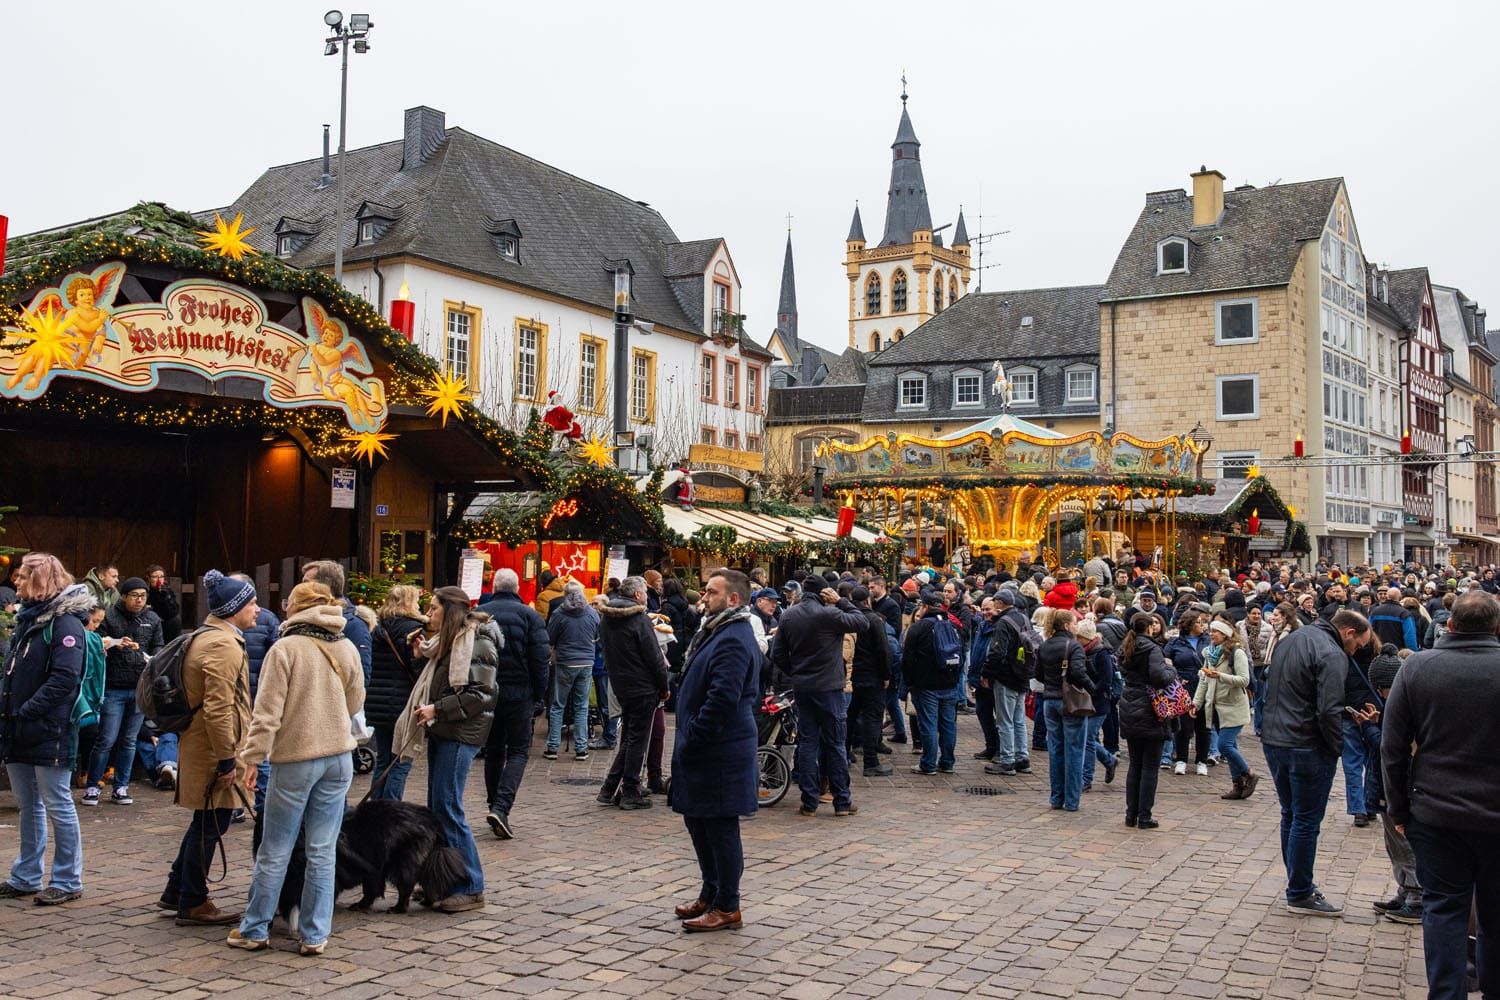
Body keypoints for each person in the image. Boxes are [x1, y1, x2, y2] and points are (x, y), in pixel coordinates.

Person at [228, 582, 364, 955]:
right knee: (322, 849)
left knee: (276, 848)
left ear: (296, 609)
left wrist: (252, 757)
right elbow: (355, 701)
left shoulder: (285, 649)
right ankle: (315, 934)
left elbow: (266, 713)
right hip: (338, 758)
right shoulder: (346, 645)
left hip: (296, 758)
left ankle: (255, 928)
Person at [1382, 590, 1500, 998]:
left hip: (1435, 812)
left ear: (1449, 625)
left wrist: (1397, 807)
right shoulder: (1418, 668)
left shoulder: (1418, 669)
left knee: (1444, 909)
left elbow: (1393, 747)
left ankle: (1447, 993)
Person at [394, 586, 499, 913]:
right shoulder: (444, 644)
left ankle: (471, 885)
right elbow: (440, 683)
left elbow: (481, 695)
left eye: (434, 609)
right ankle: (440, 879)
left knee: (448, 806)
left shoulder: (476, 641)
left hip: (461, 733)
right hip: (444, 729)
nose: (429, 614)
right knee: (437, 808)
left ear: (450, 612)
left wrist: (438, 709)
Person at [162, 570, 258, 927]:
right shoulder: (221, 644)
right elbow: (219, 708)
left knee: (205, 821)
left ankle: (176, 890)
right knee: (210, 824)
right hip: (212, 745)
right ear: (234, 609)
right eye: (251, 603)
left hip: (206, 742)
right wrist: (227, 759)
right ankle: (193, 900)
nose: (257, 610)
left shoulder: (213, 636)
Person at [1262, 608, 1372, 916]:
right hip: (1305, 743)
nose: (1356, 651)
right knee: (1306, 819)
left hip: (1276, 738)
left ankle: (1297, 883)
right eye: (1359, 645)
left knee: (1292, 814)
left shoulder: (1292, 638)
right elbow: (1326, 709)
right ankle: (1299, 891)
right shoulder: (1332, 652)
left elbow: (1286, 688)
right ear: (1349, 633)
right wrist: (1335, 746)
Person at [669, 569, 760, 933]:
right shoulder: (717, 630)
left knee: (720, 827)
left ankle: (728, 905)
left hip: (719, 750)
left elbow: (723, 697)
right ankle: (711, 892)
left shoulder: (734, 637)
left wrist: (695, 733)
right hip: (704, 749)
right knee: (699, 822)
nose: (703, 598)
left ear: (733, 599)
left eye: (711, 592)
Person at [0, 554, 90, 905]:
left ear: (40, 580)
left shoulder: (65, 624)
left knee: (57, 803)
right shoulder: (29, 620)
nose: (17, 583)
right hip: (19, 728)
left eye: (23, 577)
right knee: (29, 805)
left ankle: (68, 880)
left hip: (48, 730)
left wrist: (27, 710)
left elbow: (65, 678)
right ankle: (26, 875)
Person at [770, 582, 870, 815]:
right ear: (824, 593)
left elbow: (778, 654)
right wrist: (841, 601)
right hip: (830, 687)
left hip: (804, 687)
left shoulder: (789, 615)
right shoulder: (830, 613)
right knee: (835, 743)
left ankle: (809, 801)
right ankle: (842, 802)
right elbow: (861, 621)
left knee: (807, 742)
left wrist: (796, 671)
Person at [475, 568, 550, 839]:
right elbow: (540, 659)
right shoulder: (530, 616)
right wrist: (540, 694)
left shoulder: (481, 615)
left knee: (494, 749)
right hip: (519, 693)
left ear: (494, 586)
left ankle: (495, 804)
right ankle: (501, 805)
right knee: (518, 751)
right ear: (517, 588)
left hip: (488, 691)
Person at [86, 577, 164, 806]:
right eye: (135, 596)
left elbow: (158, 644)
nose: (139, 600)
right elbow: (95, 639)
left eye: (143, 596)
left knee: (129, 740)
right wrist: (113, 643)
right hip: (114, 687)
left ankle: (121, 786)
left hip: (139, 686)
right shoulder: (109, 616)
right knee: (106, 739)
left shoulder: (152, 618)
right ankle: (93, 785)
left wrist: (153, 657)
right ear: (124, 596)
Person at [595, 576, 669, 810]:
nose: (647, 597)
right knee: (637, 740)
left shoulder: (606, 617)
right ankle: (629, 791)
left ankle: (609, 788)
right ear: (637, 595)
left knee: (631, 738)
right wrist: (664, 686)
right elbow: (654, 656)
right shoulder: (639, 619)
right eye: (645, 593)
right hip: (642, 686)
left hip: (621, 684)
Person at [366, 585, 427, 800]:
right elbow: (417, 666)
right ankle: (391, 812)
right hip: (402, 701)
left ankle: (375, 813)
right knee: (401, 760)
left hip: (376, 701)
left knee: (383, 759)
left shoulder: (377, 628)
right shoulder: (415, 629)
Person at [1117, 614, 1174, 829]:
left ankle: (1131, 814)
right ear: (1149, 628)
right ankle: (1144, 815)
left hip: (1130, 703)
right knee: (1150, 766)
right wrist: (1171, 669)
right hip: (1150, 707)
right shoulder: (1152, 649)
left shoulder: (1127, 647)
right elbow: (1159, 676)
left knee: (1135, 764)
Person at [901, 594, 963, 778]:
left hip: (926, 684)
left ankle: (928, 763)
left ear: (925, 607)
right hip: (949, 682)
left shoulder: (919, 627)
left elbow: (908, 658)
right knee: (948, 724)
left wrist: (908, 682)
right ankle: (947, 762)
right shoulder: (952, 625)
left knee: (928, 724)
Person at [1194, 620, 1257, 800]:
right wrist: (1196, 703)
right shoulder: (1209, 653)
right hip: (1215, 707)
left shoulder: (1237, 653)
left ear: (1225, 635)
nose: (1211, 634)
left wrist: (1220, 676)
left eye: (1216, 631)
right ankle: (1237, 784)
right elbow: (1203, 681)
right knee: (1231, 747)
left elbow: (1244, 680)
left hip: (1233, 706)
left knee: (1224, 745)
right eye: (1210, 631)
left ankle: (1249, 773)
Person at [1036, 609, 1090, 811]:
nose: (1077, 626)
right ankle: (1072, 800)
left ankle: (1056, 797)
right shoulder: (1073, 645)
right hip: (1070, 701)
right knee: (1075, 751)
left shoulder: (1045, 645)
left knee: (1056, 750)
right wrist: (1093, 688)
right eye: (1075, 622)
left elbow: (1038, 674)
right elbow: (1078, 673)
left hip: (1050, 700)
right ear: (1067, 625)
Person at [982, 588, 1034, 776]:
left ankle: (1007, 760)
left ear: (1000, 603)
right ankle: (1022, 757)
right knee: (1018, 719)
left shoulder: (1003, 622)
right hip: (1022, 674)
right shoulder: (1023, 618)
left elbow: (997, 652)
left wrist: (986, 673)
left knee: (1005, 720)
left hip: (1006, 675)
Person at [545, 581, 599, 762]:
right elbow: (597, 636)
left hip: (565, 661)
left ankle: (553, 747)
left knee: (558, 705)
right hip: (585, 662)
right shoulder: (592, 613)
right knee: (581, 706)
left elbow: (550, 637)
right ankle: (581, 748)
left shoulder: (559, 614)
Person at [300, 561, 372, 685]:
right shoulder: (304, 620)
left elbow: (359, 679)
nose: (300, 588)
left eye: (306, 583)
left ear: (324, 586)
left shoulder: (353, 625)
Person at [848, 586, 893, 778]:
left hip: (851, 676)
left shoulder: (847, 618)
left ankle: (844, 754)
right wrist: (886, 675)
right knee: (872, 719)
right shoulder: (874, 620)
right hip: (871, 677)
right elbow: (883, 650)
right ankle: (871, 761)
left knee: (850, 716)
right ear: (868, 600)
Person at [1074, 619, 1118, 793]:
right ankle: (1109, 760)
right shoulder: (1084, 650)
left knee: (1088, 739)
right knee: (1087, 738)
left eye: (1079, 637)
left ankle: (1087, 778)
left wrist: (1092, 691)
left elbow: (1106, 680)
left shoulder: (1101, 653)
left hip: (1099, 702)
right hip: (1086, 700)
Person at [1164, 611, 1211, 775]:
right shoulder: (1175, 642)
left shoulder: (1208, 641)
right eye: (1198, 622)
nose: (1202, 625)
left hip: (1205, 685)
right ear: (1190, 624)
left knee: (1204, 725)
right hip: (1184, 687)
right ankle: (1181, 759)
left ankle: (1202, 761)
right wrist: (1176, 676)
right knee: (1184, 725)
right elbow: (1165, 660)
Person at [144, 565, 183, 642]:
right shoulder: (145, 592)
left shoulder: (167, 591)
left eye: (161, 577)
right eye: (155, 577)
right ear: (148, 578)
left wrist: (166, 596)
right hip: (151, 625)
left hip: (168, 626)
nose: (159, 580)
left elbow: (174, 610)